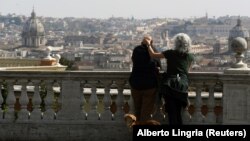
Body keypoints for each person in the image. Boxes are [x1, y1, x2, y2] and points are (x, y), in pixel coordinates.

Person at [147, 33, 194, 125]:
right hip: (182, 85)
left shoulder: (170, 53)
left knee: (172, 112)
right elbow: (186, 71)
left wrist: (148, 44)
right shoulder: (190, 56)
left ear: (176, 43)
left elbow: (153, 55)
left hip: (170, 85)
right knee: (178, 113)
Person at [129, 35, 161, 122]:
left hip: (136, 84)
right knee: (146, 112)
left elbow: (134, 60)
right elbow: (158, 66)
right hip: (149, 86)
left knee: (137, 110)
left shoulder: (136, 50)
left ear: (142, 42)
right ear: (151, 42)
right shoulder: (154, 51)